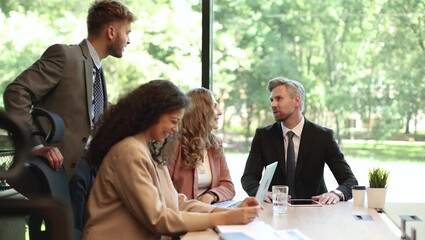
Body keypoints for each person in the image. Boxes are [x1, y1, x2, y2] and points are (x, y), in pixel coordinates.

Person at [2, 0, 136, 232]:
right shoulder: (65, 55)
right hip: (64, 170)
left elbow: (94, 114)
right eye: (128, 32)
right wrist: (35, 145)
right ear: (111, 32)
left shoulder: (98, 70)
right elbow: (16, 92)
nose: (129, 40)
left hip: (89, 170)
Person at [83, 80, 262, 240]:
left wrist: (230, 211)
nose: (176, 129)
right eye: (174, 121)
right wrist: (224, 218)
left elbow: (175, 201)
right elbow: (158, 219)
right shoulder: (130, 152)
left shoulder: (147, 148)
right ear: (152, 115)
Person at [241, 77, 358, 205]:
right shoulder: (263, 136)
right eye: (272, 100)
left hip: (314, 212)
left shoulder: (322, 136)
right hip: (276, 210)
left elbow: (350, 181)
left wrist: (335, 194)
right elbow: (248, 178)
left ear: (297, 100)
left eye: (279, 99)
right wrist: (263, 193)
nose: (273, 104)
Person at [166, 88, 235, 204]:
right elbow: (164, 190)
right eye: (214, 106)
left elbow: (228, 186)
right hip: (182, 214)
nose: (219, 112)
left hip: (208, 211)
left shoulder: (216, 143)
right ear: (200, 112)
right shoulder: (173, 144)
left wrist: (210, 196)